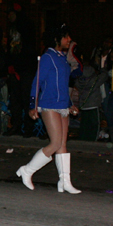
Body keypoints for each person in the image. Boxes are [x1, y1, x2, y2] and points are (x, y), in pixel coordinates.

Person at [16, 24, 81, 194]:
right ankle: (27, 170)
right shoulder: (48, 57)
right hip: (49, 104)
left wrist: (69, 104)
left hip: (62, 105)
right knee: (55, 143)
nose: (69, 40)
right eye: (66, 37)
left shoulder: (62, 58)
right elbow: (36, 82)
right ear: (57, 39)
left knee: (63, 145)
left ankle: (65, 182)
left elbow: (63, 85)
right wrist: (32, 105)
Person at [4, 6, 38, 137]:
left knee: (26, 99)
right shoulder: (12, 28)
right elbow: (10, 48)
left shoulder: (26, 26)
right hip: (15, 69)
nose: (8, 17)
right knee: (15, 101)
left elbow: (28, 47)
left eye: (10, 13)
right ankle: (16, 126)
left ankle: (28, 128)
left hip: (26, 69)